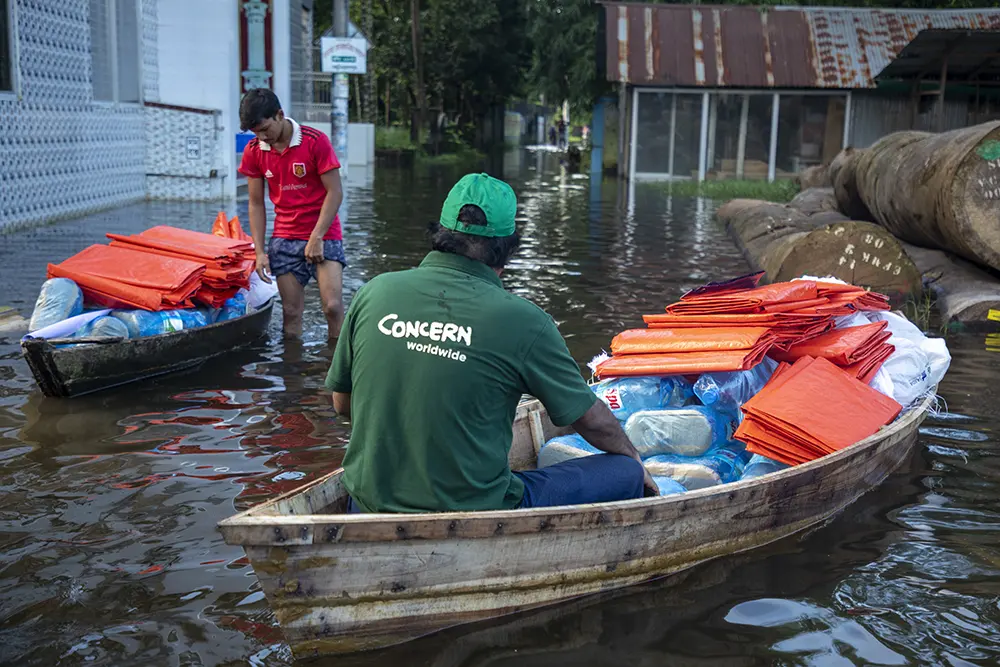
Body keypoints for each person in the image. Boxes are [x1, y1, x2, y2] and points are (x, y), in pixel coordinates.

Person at [326, 173, 658, 514]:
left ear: (440, 233)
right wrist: (634, 457)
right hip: (474, 511)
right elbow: (589, 419)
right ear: (508, 248)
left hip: (365, 505)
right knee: (623, 471)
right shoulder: (524, 321)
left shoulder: (375, 292)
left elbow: (342, 403)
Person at [238, 88, 346, 342]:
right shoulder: (254, 151)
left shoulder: (314, 141)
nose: (262, 137)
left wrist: (317, 235)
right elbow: (255, 204)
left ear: (280, 115)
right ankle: (293, 379)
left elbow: (335, 192)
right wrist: (259, 252)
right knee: (291, 312)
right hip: (285, 236)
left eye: (265, 129)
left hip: (325, 233)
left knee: (332, 307)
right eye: (256, 133)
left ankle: (338, 369)